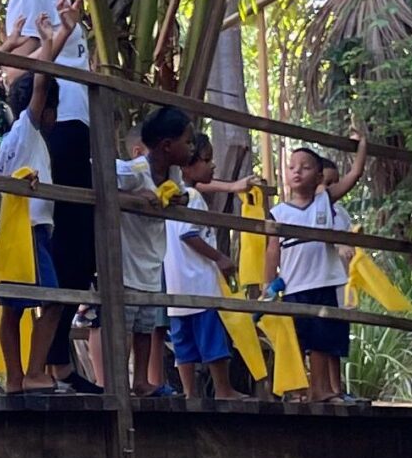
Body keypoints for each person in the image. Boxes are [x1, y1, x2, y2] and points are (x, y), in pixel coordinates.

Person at [7, 0, 102, 391]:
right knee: (68, 247)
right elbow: (19, 69)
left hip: (76, 126)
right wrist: (60, 40)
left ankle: (58, 359)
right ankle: (47, 363)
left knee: (80, 250)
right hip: (54, 126)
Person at [0, 36, 74, 393]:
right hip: (28, 231)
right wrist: (57, 38)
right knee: (53, 302)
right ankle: (35, 370)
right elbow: (40, 82)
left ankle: (14, 377)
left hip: (9, 233)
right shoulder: (27, 130)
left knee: (12, 309)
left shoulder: (10, 142)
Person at [166, 133, 259, 399]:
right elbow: (189, 234)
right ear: (187, 165)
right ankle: (223, 389)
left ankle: (189, 392)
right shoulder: (192, 197)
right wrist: (220, 257)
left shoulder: (173, 194)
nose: (212, 166)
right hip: (199, 284)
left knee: (183, 346)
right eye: (207, 161)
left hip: (176, 288)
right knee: (213, 342)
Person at [278, 135, 371, 401]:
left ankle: (319, 389)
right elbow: (272, 248)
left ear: (318, 176)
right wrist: (269, 282)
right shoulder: (278, 211)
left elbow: (354, 175)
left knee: (321, 340)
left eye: (305, 167)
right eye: (293, 166)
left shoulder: (325, 202)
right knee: (299, 340)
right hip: (295, 284)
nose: (297, 171)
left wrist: (362, 149)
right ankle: (298, 389)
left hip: (324, 282)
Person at [116, 106, 200, 394]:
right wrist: (134, 197)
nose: (191, 148)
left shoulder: (173, 173)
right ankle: (118, 381)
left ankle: (140, 380)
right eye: (187, 142)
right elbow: (101, 179)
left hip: (152, 261)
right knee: (124, 325)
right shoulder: (135, 170)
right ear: (167, 145)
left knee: (144, 326)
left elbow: (178, 194)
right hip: (127, 262)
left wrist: (180, 199)